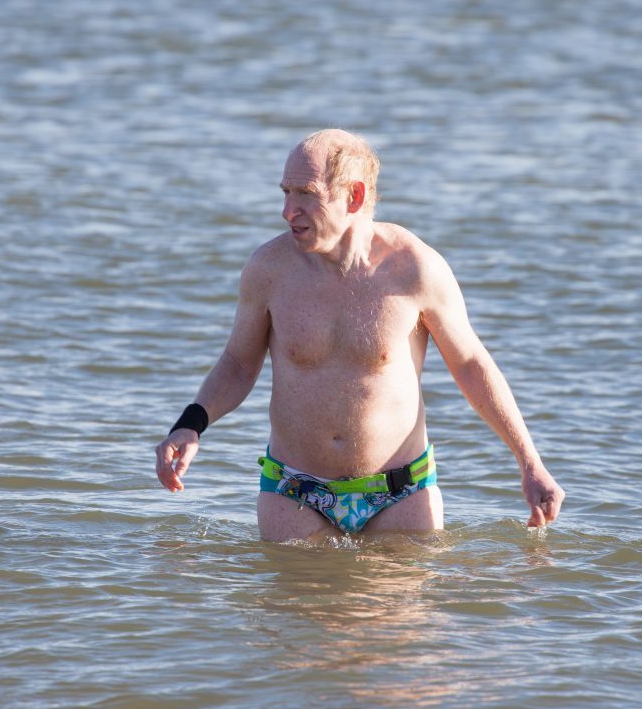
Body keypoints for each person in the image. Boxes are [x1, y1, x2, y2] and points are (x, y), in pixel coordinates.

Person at [154, 129, 563, 542]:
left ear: (352, 196)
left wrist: (530, 463)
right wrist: (190, 425)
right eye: (285, 192)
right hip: (294, 489)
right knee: (289, 605)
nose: (286, 210)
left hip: (401, 491)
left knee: (400, 607)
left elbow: (471, 365)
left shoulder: (415, 269)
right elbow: (238, 364)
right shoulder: (269, 270)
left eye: (305, 194)